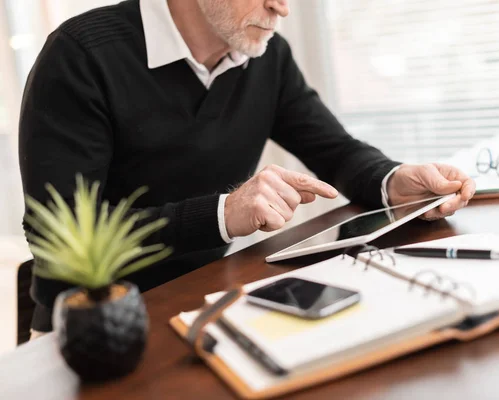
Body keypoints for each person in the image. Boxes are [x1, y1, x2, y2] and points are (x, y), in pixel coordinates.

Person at [19, 0, 475, 336]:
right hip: (90, 329)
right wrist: (223, 214)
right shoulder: (81, 55)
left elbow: (335, 152)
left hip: (205, 302)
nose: (282, 7)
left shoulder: (266, 55)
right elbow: (58, 236)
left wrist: (394, 180)